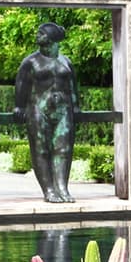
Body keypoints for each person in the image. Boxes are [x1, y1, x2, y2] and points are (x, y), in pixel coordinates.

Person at [14, 22, 79, 203]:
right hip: (38, 108)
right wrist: (19, 106)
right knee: (41, 149)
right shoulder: (31, 62)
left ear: (51, 38)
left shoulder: (66, 62)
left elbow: (72, 86)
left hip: (63, 109)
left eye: (41, 33)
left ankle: (62, 188)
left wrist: (75, 106)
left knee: (64, 149)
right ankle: (49, 190)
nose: (37, 35)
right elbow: (21, 84)